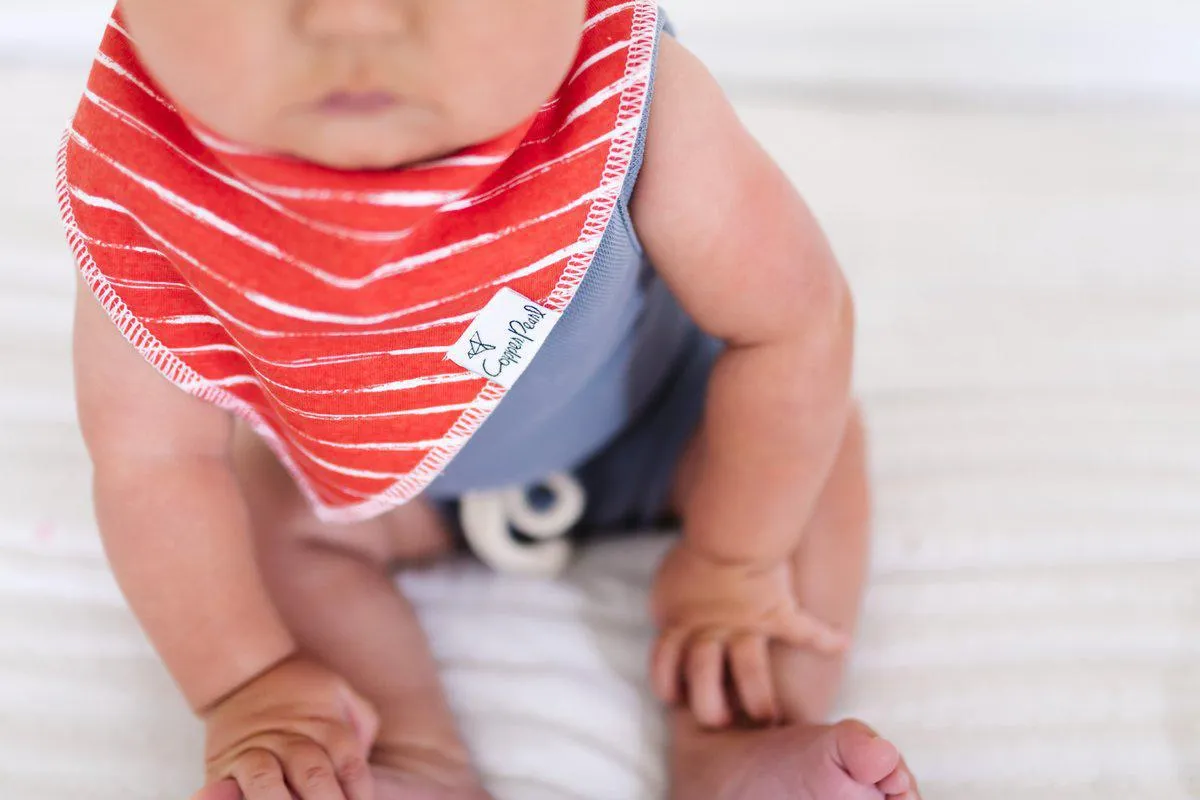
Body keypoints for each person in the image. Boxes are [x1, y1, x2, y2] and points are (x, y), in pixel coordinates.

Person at [61, 1, 919, 798]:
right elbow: (155, 460)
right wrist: (245, 681)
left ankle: (736, 733)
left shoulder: (622, 99)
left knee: (806, 445)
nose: (354, 19)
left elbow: (792, 324)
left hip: (662, 425)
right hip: (383, 495)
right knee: (256, 517)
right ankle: (398, 756)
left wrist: (734, 560)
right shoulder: (149, 185)